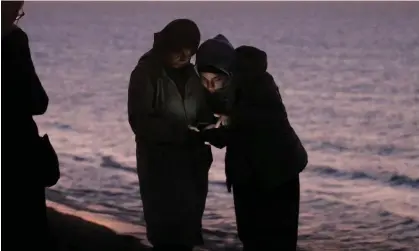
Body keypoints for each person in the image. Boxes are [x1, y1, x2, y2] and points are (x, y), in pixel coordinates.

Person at [195, 39, 308, 251]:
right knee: (257, 236)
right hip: (255, 172)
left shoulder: (257, 87)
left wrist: (208, 129)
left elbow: (242, 125)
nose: (211, 86)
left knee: (274, 239)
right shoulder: (238, 86)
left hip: (276, 172)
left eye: (217, 79)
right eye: (205, 80)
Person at [127, 19, 215, 251]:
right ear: (167, 44)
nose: (185, 56)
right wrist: (180, 134)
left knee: (187, 232)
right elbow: (141, 121)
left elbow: (203, 111)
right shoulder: (146, 73)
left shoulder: (193, 75)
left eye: (191, 51)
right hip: (161, 166)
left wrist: (211, 128)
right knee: (166, 235)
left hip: (192, 165)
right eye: (180, 50)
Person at [2, 1, 58, 250]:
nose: (17, 17)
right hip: (16, 151)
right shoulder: (13, 40)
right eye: (15, 10)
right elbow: (37, 101)